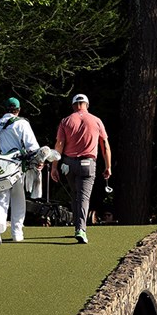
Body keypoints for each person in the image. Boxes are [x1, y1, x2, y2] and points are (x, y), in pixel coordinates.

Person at [50, 93, 112, 244]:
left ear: (73, 106)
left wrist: (54, 167)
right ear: (87, 104)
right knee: (83, 197)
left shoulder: (66, 121)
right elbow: (105, 146)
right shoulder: (96, 121)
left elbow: (59, 145)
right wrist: (108, 166)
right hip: (88, 164)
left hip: (68, 164)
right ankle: (81, 229)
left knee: (75, 195)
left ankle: (77, 226)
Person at [0, 97, 41, 244]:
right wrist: (39, 162)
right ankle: (17, 232)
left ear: (5, 108)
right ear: (18, 109)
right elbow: (33, 147)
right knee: (18, 199)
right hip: (16, 166)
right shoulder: (21, 123)